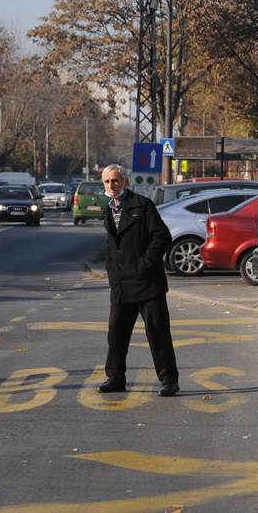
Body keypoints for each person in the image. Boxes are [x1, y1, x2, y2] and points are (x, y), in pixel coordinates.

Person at [98, 164, 180, 397]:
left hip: (147, 283)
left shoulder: (142, 206)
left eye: (115, 181)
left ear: (125, 182)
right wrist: (111, 269)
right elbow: (112, 244)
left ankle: (169, 380)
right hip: (121, 285)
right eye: (106, 182)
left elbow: (162, 237)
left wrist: (144, 264)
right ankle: (115, 377)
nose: (111, 186)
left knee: (157, 332)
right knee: (116, 333)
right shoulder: (108, 208)